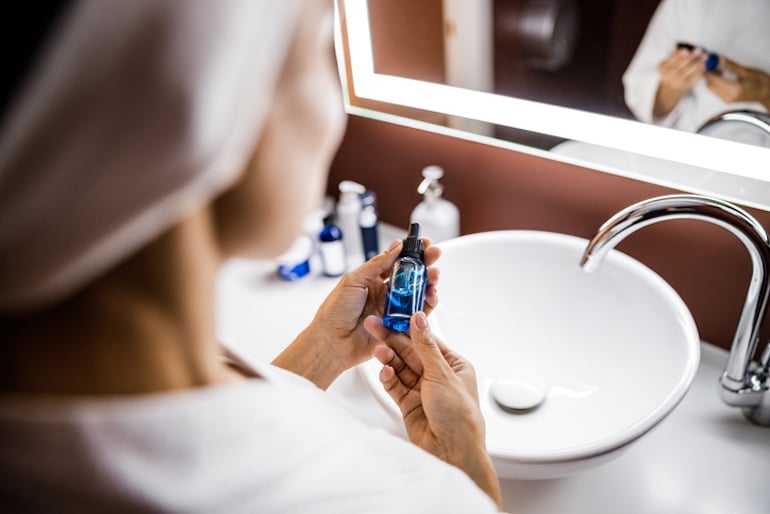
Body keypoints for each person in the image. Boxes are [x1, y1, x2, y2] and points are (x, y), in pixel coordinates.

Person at [0, 1, 502, 512]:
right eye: (317, 49)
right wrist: (466, 469)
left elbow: (209, 436)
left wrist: (324, 349)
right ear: (214, 107)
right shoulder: (396, 498)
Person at [622, 0, 770, 139]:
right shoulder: (686, 4)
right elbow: (643, 97)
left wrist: (765, 92)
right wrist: (671, 86)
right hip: (693, 146)